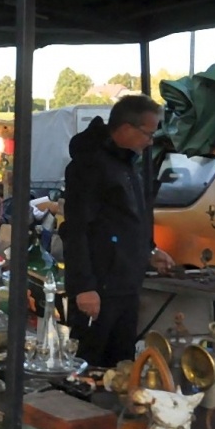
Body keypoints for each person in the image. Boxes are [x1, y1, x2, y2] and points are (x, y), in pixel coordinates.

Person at [60, 94, 177, 368]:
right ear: (126, 128)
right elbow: (76, 229)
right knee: (88, 367)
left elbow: (127, 220)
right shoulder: (89, 166)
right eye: (148, 134)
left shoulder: (126, 165)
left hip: (126, 285)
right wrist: (85, 287)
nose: (151, 142)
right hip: (99, 288)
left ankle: (115, 411)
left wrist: (149, 251)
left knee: (122, 367)